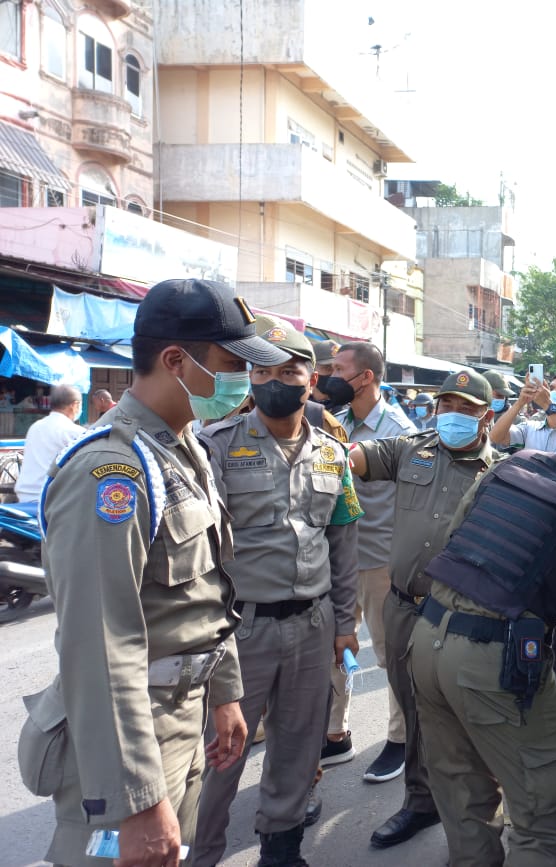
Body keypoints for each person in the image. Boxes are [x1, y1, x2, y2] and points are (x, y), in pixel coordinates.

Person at [18, 278, 287, 867]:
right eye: (230, 364)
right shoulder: (113, 470)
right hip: (130, 735)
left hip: (184, 717)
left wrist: (224, 693)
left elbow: (211, 591)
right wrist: (136, 800)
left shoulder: (183, 451)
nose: (243, 382)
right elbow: (100, 645)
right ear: (175, 361)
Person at [408, 401, 556, 864]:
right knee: (545, 808)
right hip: (492, 665)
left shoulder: (508, 469)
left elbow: (454, 547)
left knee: (463, 792)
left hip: (427, 640)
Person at [192, 322, 362, 867]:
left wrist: (344, 622)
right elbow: (201, 555)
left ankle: (281, 849)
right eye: (262, 371)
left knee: (298, 742)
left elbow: (343, 543)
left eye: (288, 371)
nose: (274, 381)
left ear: (311, 381)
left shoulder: (334, 455)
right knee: (224, 752)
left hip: (312, 626)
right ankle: (203, 853)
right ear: (249, 378)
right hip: (242, 629)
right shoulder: (216, 447)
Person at [346, 368, 502, 849]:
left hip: (456, 619)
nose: (452, 416)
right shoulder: (410, 449)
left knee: (460, 715)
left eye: (466, 409)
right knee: (412, 709)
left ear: (486, 416)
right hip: (401, 607)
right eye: (446, 406)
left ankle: (476, 815)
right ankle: (420, 802)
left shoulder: (500, 474)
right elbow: (354, 458)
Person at [324, 342, 416, 781]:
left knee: (389, 654)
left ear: (366, 378)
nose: (330, 374)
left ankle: (399, 740)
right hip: (338, 558)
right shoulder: (336, 422)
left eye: (339, 369)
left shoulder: (398, 430)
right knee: (334, 647)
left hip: (381, 560)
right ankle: (335, 734)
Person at [14, 384, 85, 502]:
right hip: (51, 499)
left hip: (25, 496)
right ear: (74, 405)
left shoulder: (35, 426)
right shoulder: (75, 432)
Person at [491, 370, 556, 454]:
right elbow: (495, 437)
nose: (553, 393)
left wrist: (547, 405)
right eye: (551, 389)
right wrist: (520, 402)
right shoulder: (530, 427)